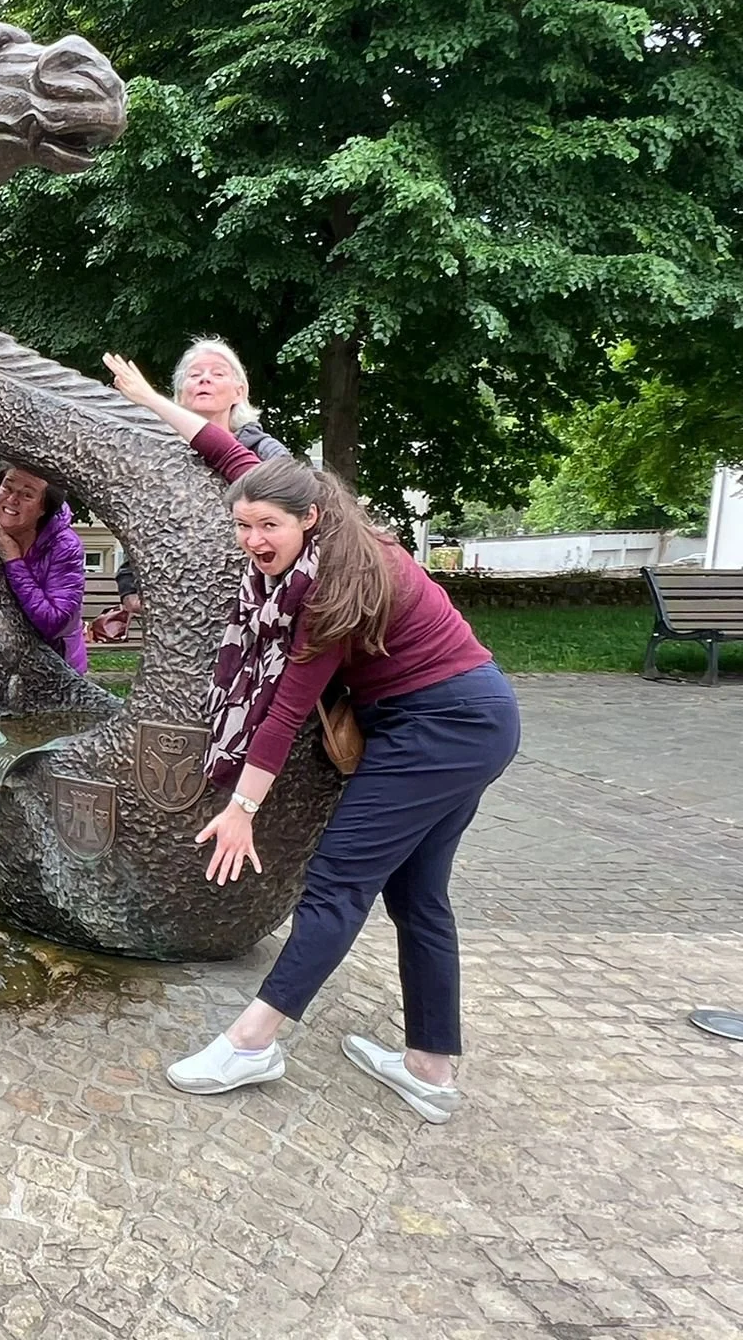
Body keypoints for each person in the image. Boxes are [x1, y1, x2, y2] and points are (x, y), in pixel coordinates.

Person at [104, 353, 521, 1126]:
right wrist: (144, 396)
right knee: (418, 893)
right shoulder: (295, 504)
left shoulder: (335, 584)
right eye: (244, 527)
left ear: (311, 521)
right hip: (473, 718)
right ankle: (429, 1067)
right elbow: (223, 449)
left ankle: (255, 1041)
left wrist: (242, 808)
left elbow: (289, 706)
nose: (255, 541)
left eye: (269, 528)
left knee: (336, 884)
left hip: (443, 726)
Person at [110, 337, 290, 616]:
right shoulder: (160, 456)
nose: (205, 379)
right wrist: (130, 587)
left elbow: (292, 501)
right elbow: (140, 524)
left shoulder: (263, 448)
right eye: (194, 375)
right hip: (179, 605)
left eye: (218, 374)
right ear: (180, 394)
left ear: (239, 391)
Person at [0, 463, 89, 674]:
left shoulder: (64, 546)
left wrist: (13, 561)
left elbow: (54, 622)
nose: (12, 499)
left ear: (44, 508)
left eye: (27, 495)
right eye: (8, 487)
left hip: (56, 666)